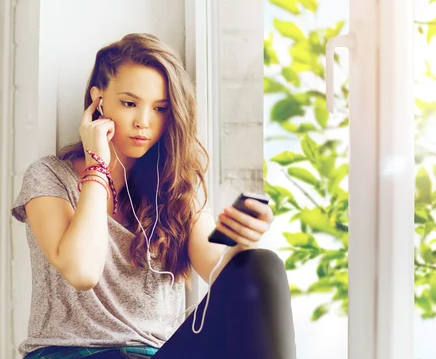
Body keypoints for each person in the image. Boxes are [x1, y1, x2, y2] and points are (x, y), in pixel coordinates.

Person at [10, 33, 296, 359]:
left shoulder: (175, 190)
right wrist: (98, 167)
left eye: (160, 109)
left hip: (156, 354)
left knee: (263, 264)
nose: (144, 122)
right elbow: (82, 271)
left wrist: (244, 239)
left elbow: (223, 274)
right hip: (71, 355)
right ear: (98, 100)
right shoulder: (49, 177)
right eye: (130, 103)